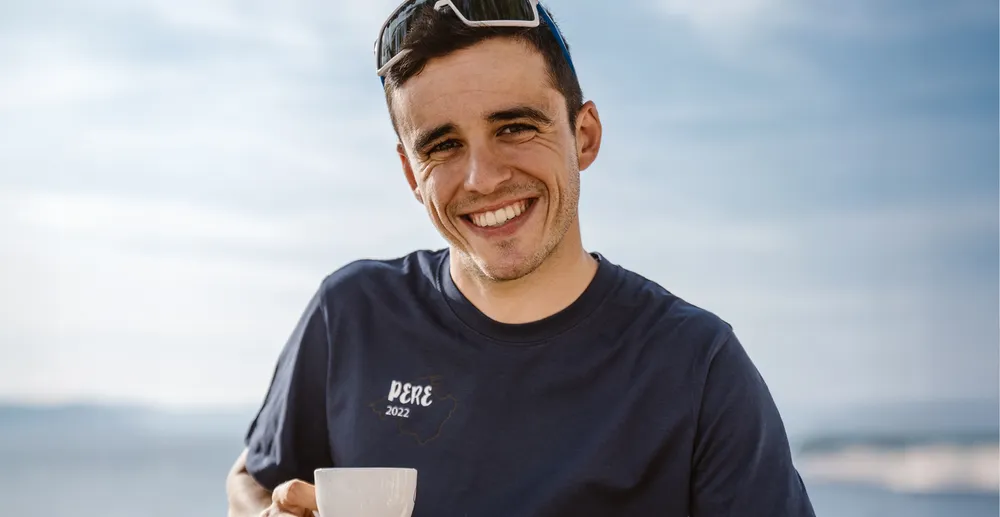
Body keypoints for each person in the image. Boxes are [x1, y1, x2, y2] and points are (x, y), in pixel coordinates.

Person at [226, 1, 816, 516]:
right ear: (411, 172)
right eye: (444, 145)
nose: (482, 178)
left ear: (583, 135)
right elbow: (253, 480)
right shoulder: (351, 312)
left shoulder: (697, 367)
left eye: (514, 127)